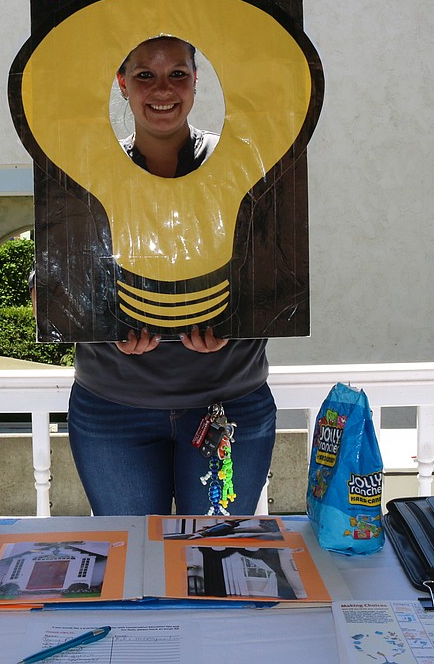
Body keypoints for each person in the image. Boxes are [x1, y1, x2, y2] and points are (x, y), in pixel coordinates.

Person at [53, 35, 276, 517]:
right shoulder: (87, 174)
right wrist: (102, 328)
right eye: (144, 75)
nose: (162, 89)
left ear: (196, 82)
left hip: (229, 406)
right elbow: (50, 287)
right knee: (136, 564)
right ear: (122, 84)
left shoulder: (240, 169)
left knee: (214, 562)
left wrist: (235, 326)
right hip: (114, 410)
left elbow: (277, 275)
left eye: (177, 74)